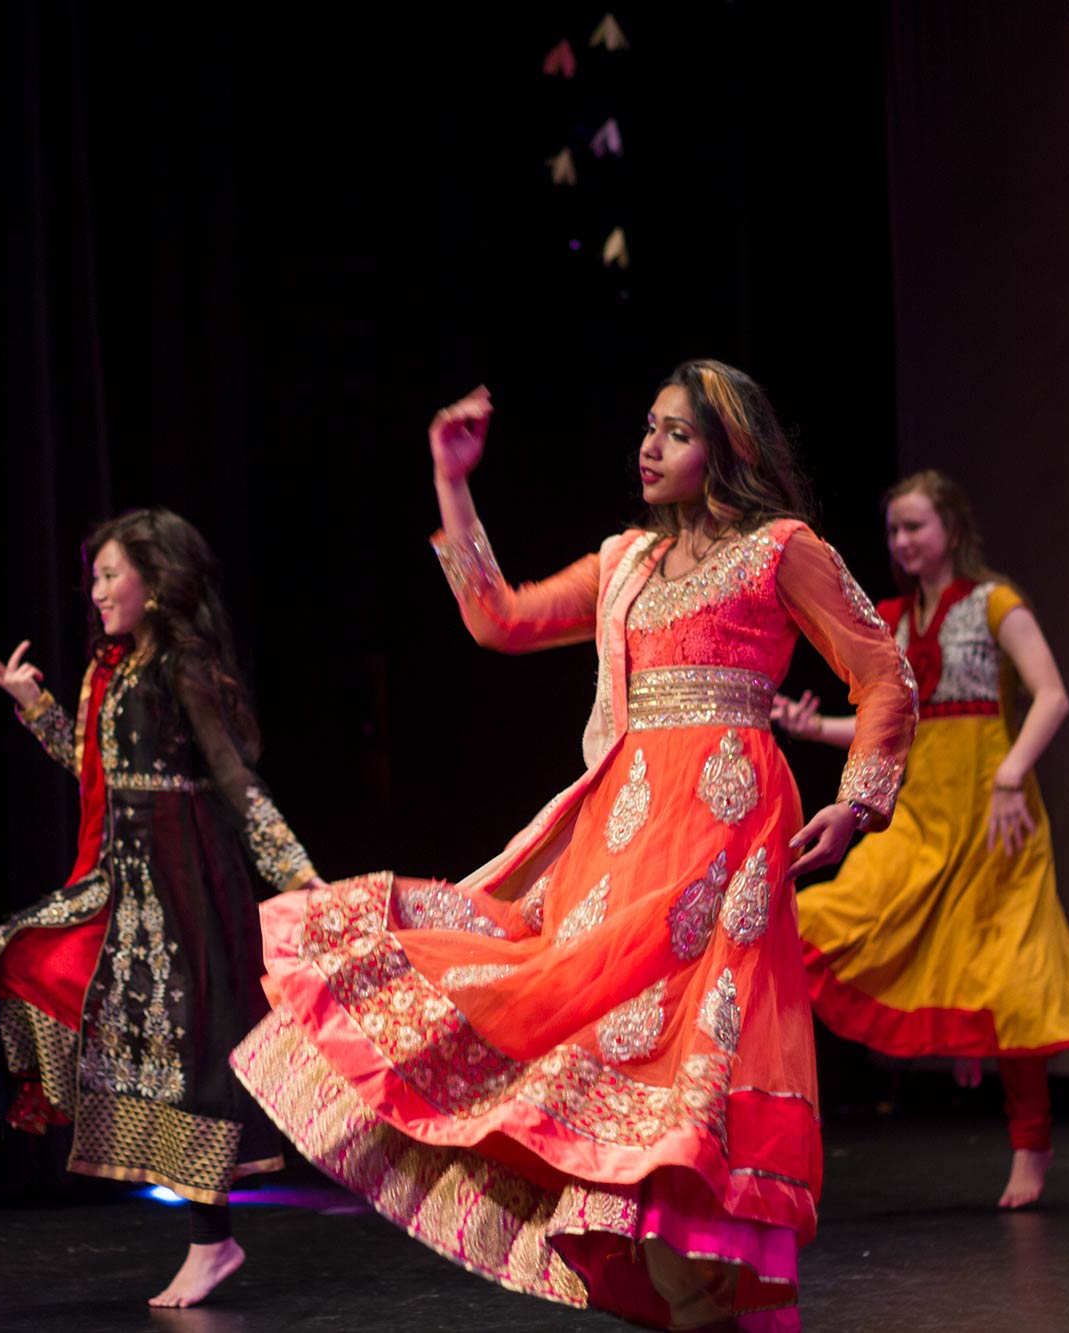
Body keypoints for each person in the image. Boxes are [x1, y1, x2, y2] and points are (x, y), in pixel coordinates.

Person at [229, 364, 917, 1330]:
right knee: (575, 1018)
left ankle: (714, 1292)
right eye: (648, 427)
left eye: (675, 433)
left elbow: (883, 673)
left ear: (730, 449)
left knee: (700, 1062)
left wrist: (860, 802)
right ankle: (690, 1300)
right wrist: (452, 483)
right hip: (625, 839)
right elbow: (499, 618)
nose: (648, 446)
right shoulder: (626, 561)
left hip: (728, 841)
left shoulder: (779, 549)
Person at [0, 508, 326, 1307]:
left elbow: (235, 783)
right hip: (121, 882)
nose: (99, 590)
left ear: (158, 578)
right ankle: (201, 1231)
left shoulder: (182, 666)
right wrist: (35, 708)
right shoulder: (110, 669)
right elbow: (95, 769)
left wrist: (300, 875)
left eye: (113, 574)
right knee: (26, 957)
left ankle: (212, 1243)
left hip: (186, 890)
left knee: (194, 1068)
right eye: (96, 577)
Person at [775, 470, 1069, 1209]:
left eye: (916, 527)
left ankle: (1031, 1145)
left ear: (952, 531)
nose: (902, 541)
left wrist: (1010, 776)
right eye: (895, 530)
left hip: (996, 817)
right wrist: (818, 729)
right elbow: (900, 722)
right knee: (822, 920)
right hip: (921, 813)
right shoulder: (893, 618)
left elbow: (1052, 696)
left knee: (1011, 985)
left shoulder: (997, 603)